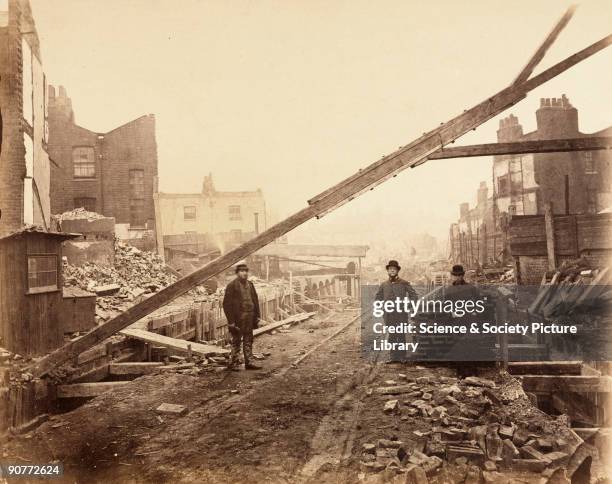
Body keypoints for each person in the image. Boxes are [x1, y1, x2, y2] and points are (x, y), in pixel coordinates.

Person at [375, 260, 418, 362]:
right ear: (388, 271)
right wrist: (381, 307)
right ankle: (393, 357)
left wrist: (408, 306)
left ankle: (402, 357)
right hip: (389, 315)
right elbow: (378, 298)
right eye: (390, 269)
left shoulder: (404, 283)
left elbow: (414, 296)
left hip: (401, 314)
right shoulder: (384, 285)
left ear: (397, 271)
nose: (392, 271)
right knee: (392, 335)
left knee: (401, 334)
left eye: (394, 269)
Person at [222, 263, 262, 371]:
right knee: (236, 340)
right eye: (241, 271)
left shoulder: (250, 285)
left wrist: (257, 316)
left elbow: (255, 301)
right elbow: (226, 304)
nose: (244, 273)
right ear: (237, 273)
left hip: (249, 316)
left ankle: (249, 362)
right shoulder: (232, 286)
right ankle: (233, 363)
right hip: (238, 318)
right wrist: (231, 321)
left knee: (249, 339)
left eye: (246, 271)